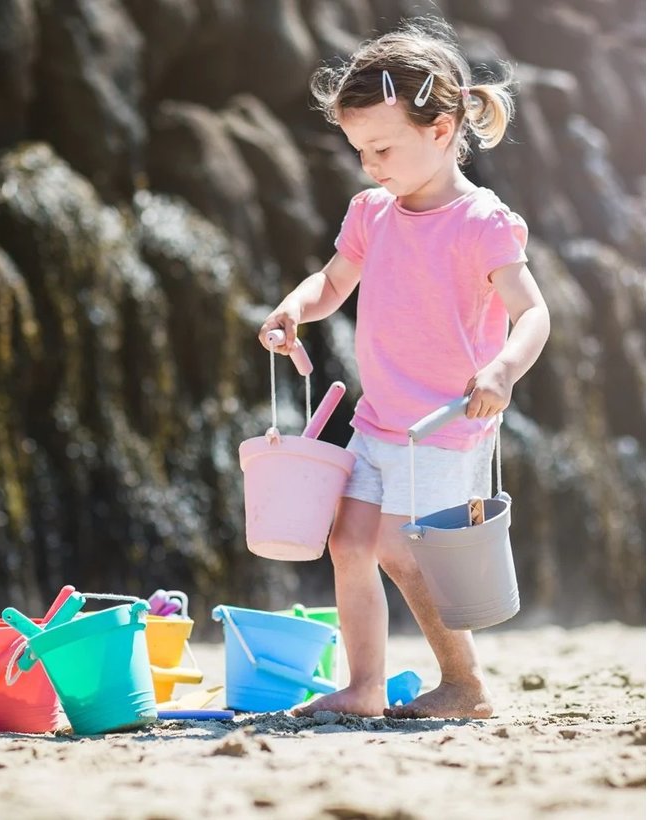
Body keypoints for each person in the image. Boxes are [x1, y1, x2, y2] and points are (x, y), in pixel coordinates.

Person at [258, 17, 550, 719]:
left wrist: (503, 371)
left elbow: (534, 313)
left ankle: (464, 684)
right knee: (350, 541)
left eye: (382, 147)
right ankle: (362, 687)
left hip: (446, 425)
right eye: (361, 150)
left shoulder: (482, 222)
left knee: (403, 548)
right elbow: (330, 285)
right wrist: (292, 310)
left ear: (443, 129)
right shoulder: (372, 214)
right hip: (379, 419)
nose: (371, 164)